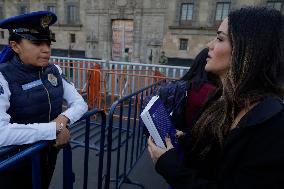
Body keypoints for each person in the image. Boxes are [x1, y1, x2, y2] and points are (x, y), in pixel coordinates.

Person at [148, 6, 284, 189]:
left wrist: (171, 167)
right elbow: (217, 151)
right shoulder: (219, 98)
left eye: (220, 38)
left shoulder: (274, 125)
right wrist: (187, 139)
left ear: (248, 52)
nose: (209, 45)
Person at [0, 11, 88, 188]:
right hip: (14, 165)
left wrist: (63, 120)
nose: (46, 49)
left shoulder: (53, 70)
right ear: (15, 46)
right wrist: (53, 129)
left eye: (48, 42)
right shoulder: (3, 77)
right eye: (37, 42)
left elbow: (80, 103)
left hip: (47, 156)